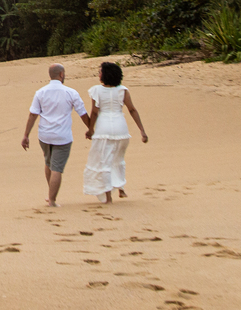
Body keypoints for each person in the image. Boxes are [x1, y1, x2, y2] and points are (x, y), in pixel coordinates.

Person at [22, 63, 92, 207]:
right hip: (62, 136)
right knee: (57, 168)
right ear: (61, 74)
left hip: (45, 135)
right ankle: (52, 200)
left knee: (49, 163)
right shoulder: (71, 92)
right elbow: (82, 113)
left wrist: (26, 135)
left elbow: (32, 115)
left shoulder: (40, 92)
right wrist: (91, 129)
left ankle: (50, 194)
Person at [82, 61, 148, 204]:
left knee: (103, 161)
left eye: (100, 72)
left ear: (105, 75)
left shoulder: (96, 90)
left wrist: (90, 129)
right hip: (121, 127)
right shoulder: (122, 90)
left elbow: (94, 112)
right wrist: (142, 131)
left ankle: (108, 196)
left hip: (103, 128)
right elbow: (132, 110)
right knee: (118, 159)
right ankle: (120, 186)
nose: (99, 74)